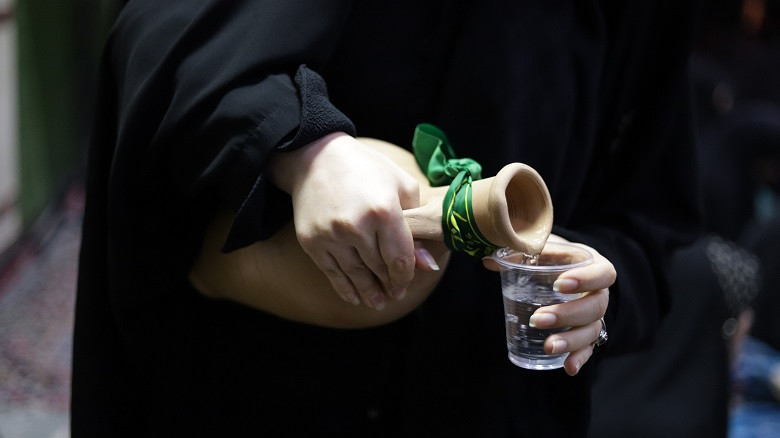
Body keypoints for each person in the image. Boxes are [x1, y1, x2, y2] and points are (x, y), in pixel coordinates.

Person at [71, 1, 701, 436]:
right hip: (258, 390)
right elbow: (169, 38)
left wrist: (594, 296)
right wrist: (306, 149)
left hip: (486, 407)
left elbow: (649, 224)